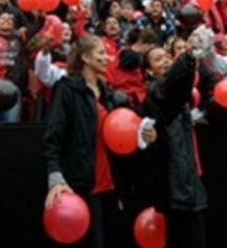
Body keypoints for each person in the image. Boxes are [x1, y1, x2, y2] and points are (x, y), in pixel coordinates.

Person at [43, 36, 155, 248]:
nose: (107, 58)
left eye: (106, 53)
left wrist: (142, 137)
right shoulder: (66, 89)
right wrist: (55, 178)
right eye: (101, 53)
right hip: (82, 186)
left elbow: (117, 136)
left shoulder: (107, 94)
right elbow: (52, 138)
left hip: (110, 186)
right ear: (85, 57)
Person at [138, 39, 208, 248]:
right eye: (158, 60)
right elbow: (174, 88)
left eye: (167, 57)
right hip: (174, 187)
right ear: (148, 72)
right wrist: (188, 57)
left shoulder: (178, 93)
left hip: (188, 181)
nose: (166, 61)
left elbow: (183, 86)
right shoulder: (155, 93)